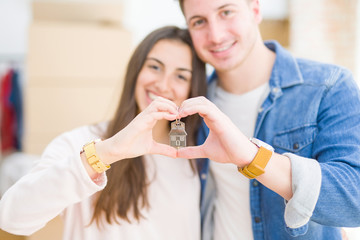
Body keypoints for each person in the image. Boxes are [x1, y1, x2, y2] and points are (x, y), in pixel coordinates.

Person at [0, 26, 207, 239]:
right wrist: (106, 153)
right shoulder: (80, 142)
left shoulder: (195, 154)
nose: (163, 85)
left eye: (181, 76)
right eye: (155, 67)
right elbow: (12, 218)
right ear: (135, 70)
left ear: (193, 88)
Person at [175, 0, 360, 239]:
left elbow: (354, 199)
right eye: (199, 21)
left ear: (255, 10)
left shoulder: (329, 86)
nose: (216, 35)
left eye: (226, 12)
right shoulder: (192, 105)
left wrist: (252, 157)